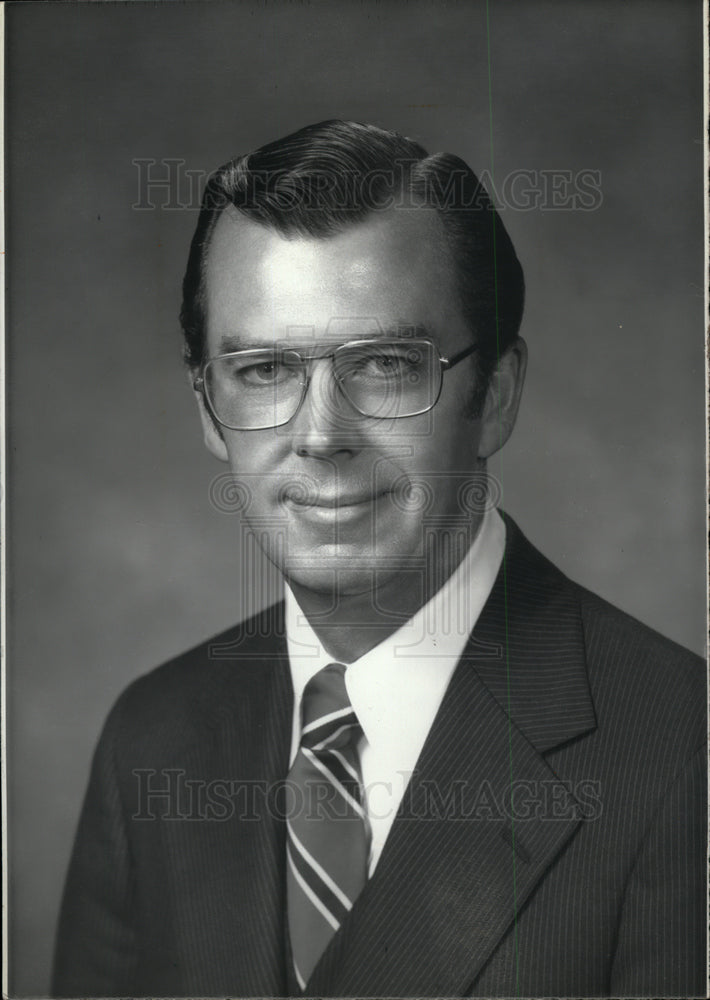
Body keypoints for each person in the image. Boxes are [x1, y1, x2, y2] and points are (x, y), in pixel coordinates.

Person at [53, 120, 706, 998]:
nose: (321, 435)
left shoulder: (680, 756)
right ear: (208, 410)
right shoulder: (154, 735)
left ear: (495, 397)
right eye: (264, 369)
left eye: (386, 364)